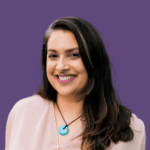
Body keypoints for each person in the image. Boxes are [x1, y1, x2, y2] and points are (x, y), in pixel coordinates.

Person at [5, 17, 146, 150]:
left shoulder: (130, 128)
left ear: (95, 61)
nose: (61, 66)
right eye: (53, 56)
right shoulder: (21, 112)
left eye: (73, 55)